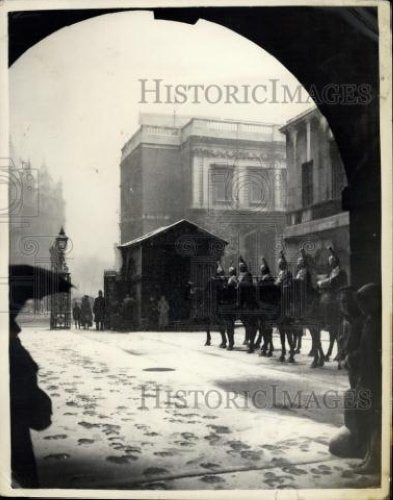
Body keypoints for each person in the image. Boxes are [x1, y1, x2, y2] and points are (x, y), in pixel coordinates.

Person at [317, 247, 348, 361]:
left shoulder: (340, 271)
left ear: (335, 261)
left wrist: (321, 282)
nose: (330, 264)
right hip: (333, 293)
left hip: (338, 294)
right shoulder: (334, 270)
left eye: (331, 261)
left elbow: (332, 281)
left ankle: (328, 320)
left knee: (327, 301)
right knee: (323, 298)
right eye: (330, 262)